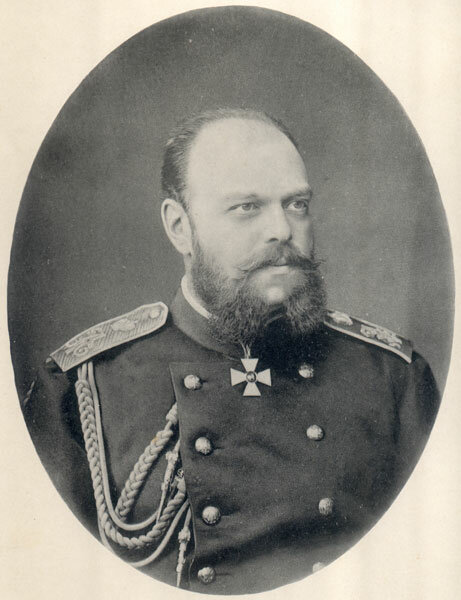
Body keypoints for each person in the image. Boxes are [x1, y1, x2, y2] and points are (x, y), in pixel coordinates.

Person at [23, 108, 440, 594]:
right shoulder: (83, 389)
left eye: (297, 204)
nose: (282, 230)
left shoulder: (392, 378)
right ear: (179, 227)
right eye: (247, 207)